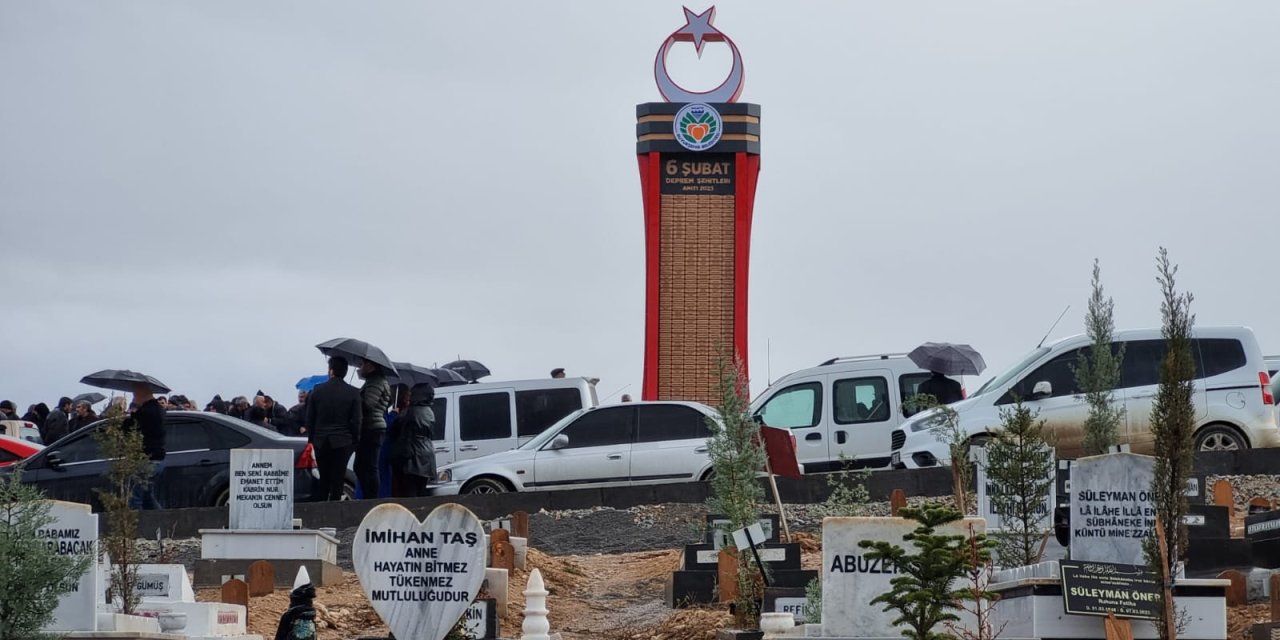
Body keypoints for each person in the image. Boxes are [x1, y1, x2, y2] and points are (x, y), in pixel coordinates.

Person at [305, 357, 362, 501]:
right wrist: (354, 440)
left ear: (331, 371)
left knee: (323, 479)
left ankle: (321, 511)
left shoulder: (317, 390)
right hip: (343, 442)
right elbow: (356, 420)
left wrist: (311, 439)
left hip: (321, 441)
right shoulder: (354, 392)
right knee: (338, 480)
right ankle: (335, 512)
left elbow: (310, 418)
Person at [388, 384, 437, 498]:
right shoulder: (429, 411)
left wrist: (394, 413)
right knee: (421, 492)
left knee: (409, 494)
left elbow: (393, 427)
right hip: (427, 457)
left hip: (411, 459)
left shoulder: (409, 411)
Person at [124, 382, 166, 510]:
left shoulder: (146, 412)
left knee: (134, 499)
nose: (134, 397)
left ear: (142, 393)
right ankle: (162, 521)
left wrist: (132, 414)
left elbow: (129, 427)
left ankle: (138, 527)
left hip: (146, 458)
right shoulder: (157, 409)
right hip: (156, 458)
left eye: (135, 394)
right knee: (147, 497)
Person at [355, 359, 391, 499]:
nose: (360, 367)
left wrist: (356, 396)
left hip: (372, 428)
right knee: (363, 466)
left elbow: (368, 404)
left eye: (362, 364)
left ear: (371, 366)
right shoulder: (375, 381)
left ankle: (371, 498)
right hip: (373, 427)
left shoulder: (376, 382)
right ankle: (369, 496)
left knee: (369, 466)